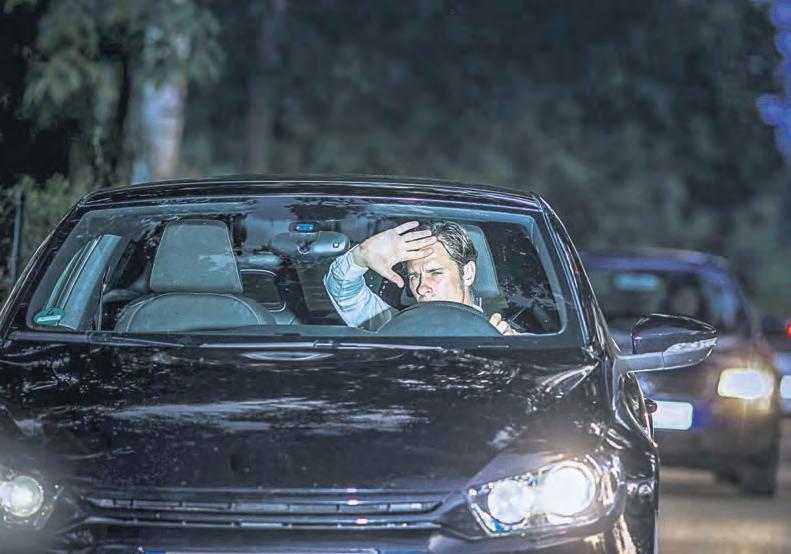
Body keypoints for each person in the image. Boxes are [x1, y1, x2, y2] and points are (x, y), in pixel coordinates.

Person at [323, 220, 515, 335]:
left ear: (468, 273)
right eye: (414, 276)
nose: (422, 287)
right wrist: (360, 256)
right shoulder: (392, 326)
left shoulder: (503, 335)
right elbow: (344, 291)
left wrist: (510, 351)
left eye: (435, 272)